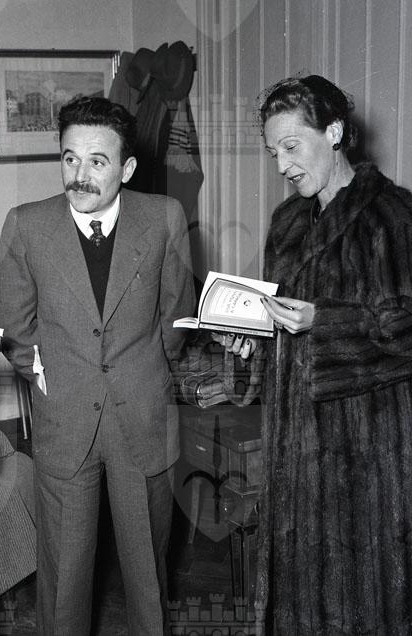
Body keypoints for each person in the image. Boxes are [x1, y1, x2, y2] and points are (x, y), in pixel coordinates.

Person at [199, 75, 412, 634]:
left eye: (291, 147)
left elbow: (405, 331)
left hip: (367, 451)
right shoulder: (287, 223)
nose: (282, 166)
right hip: (294, 449)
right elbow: (281, 328)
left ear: (334, 132)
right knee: (299, 597)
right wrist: (248, 341)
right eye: (274, 152)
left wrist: (324, 322)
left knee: (365, 600)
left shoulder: (392, 216)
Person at [0, 95, 196, 635]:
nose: (79, 175)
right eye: (69, 158)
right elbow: (12, 326)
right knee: (65, 580)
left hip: (143, 418)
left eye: (97, 161)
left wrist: (148, 373)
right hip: (65, 423)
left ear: (126, 169)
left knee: (148, 577)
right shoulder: (26, 225)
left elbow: (176, 317)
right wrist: (48, 375)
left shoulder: (164, 218)